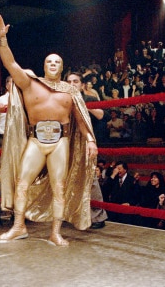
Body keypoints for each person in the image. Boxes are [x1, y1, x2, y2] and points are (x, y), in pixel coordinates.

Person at [0, 14, 98, 246]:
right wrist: (2, 39)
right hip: (35, 139)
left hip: (61, 140)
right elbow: (10, 64)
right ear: (44, 65)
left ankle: (55, 232)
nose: (52, 64)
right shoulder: (30, 83)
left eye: (57, 62)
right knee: (22, 182)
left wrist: (90, 140)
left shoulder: (71, 91)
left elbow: (82, 119)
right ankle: (18, 226)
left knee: (59, 186)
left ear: (62, 67)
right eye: (49, 61)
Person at [67, 72, 108, 229]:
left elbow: (103, 115)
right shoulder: (62, 100)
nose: (72, 84)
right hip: (68, 144)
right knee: (68, 180)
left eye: (75, 81)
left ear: (82, 84)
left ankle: (98, 217)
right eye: (69, 81)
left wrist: (84, 107)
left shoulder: (89, 99)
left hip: (86, 144)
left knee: (91, 180)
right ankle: (71, 214)